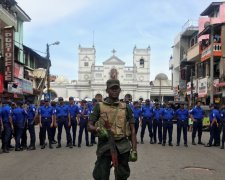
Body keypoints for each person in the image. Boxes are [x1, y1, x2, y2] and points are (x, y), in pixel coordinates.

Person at [88, 79, 137, 180]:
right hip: (105, 146)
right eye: (112, 89)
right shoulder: (99, 106)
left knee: (122, 175)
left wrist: (134, 149)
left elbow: (132, 130)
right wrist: (97, 129)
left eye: (116, 88)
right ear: (107, 90)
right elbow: (89, 125)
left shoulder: (126, 107)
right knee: (101, 175)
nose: (114, 91)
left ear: (120, 90)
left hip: (123, 146)